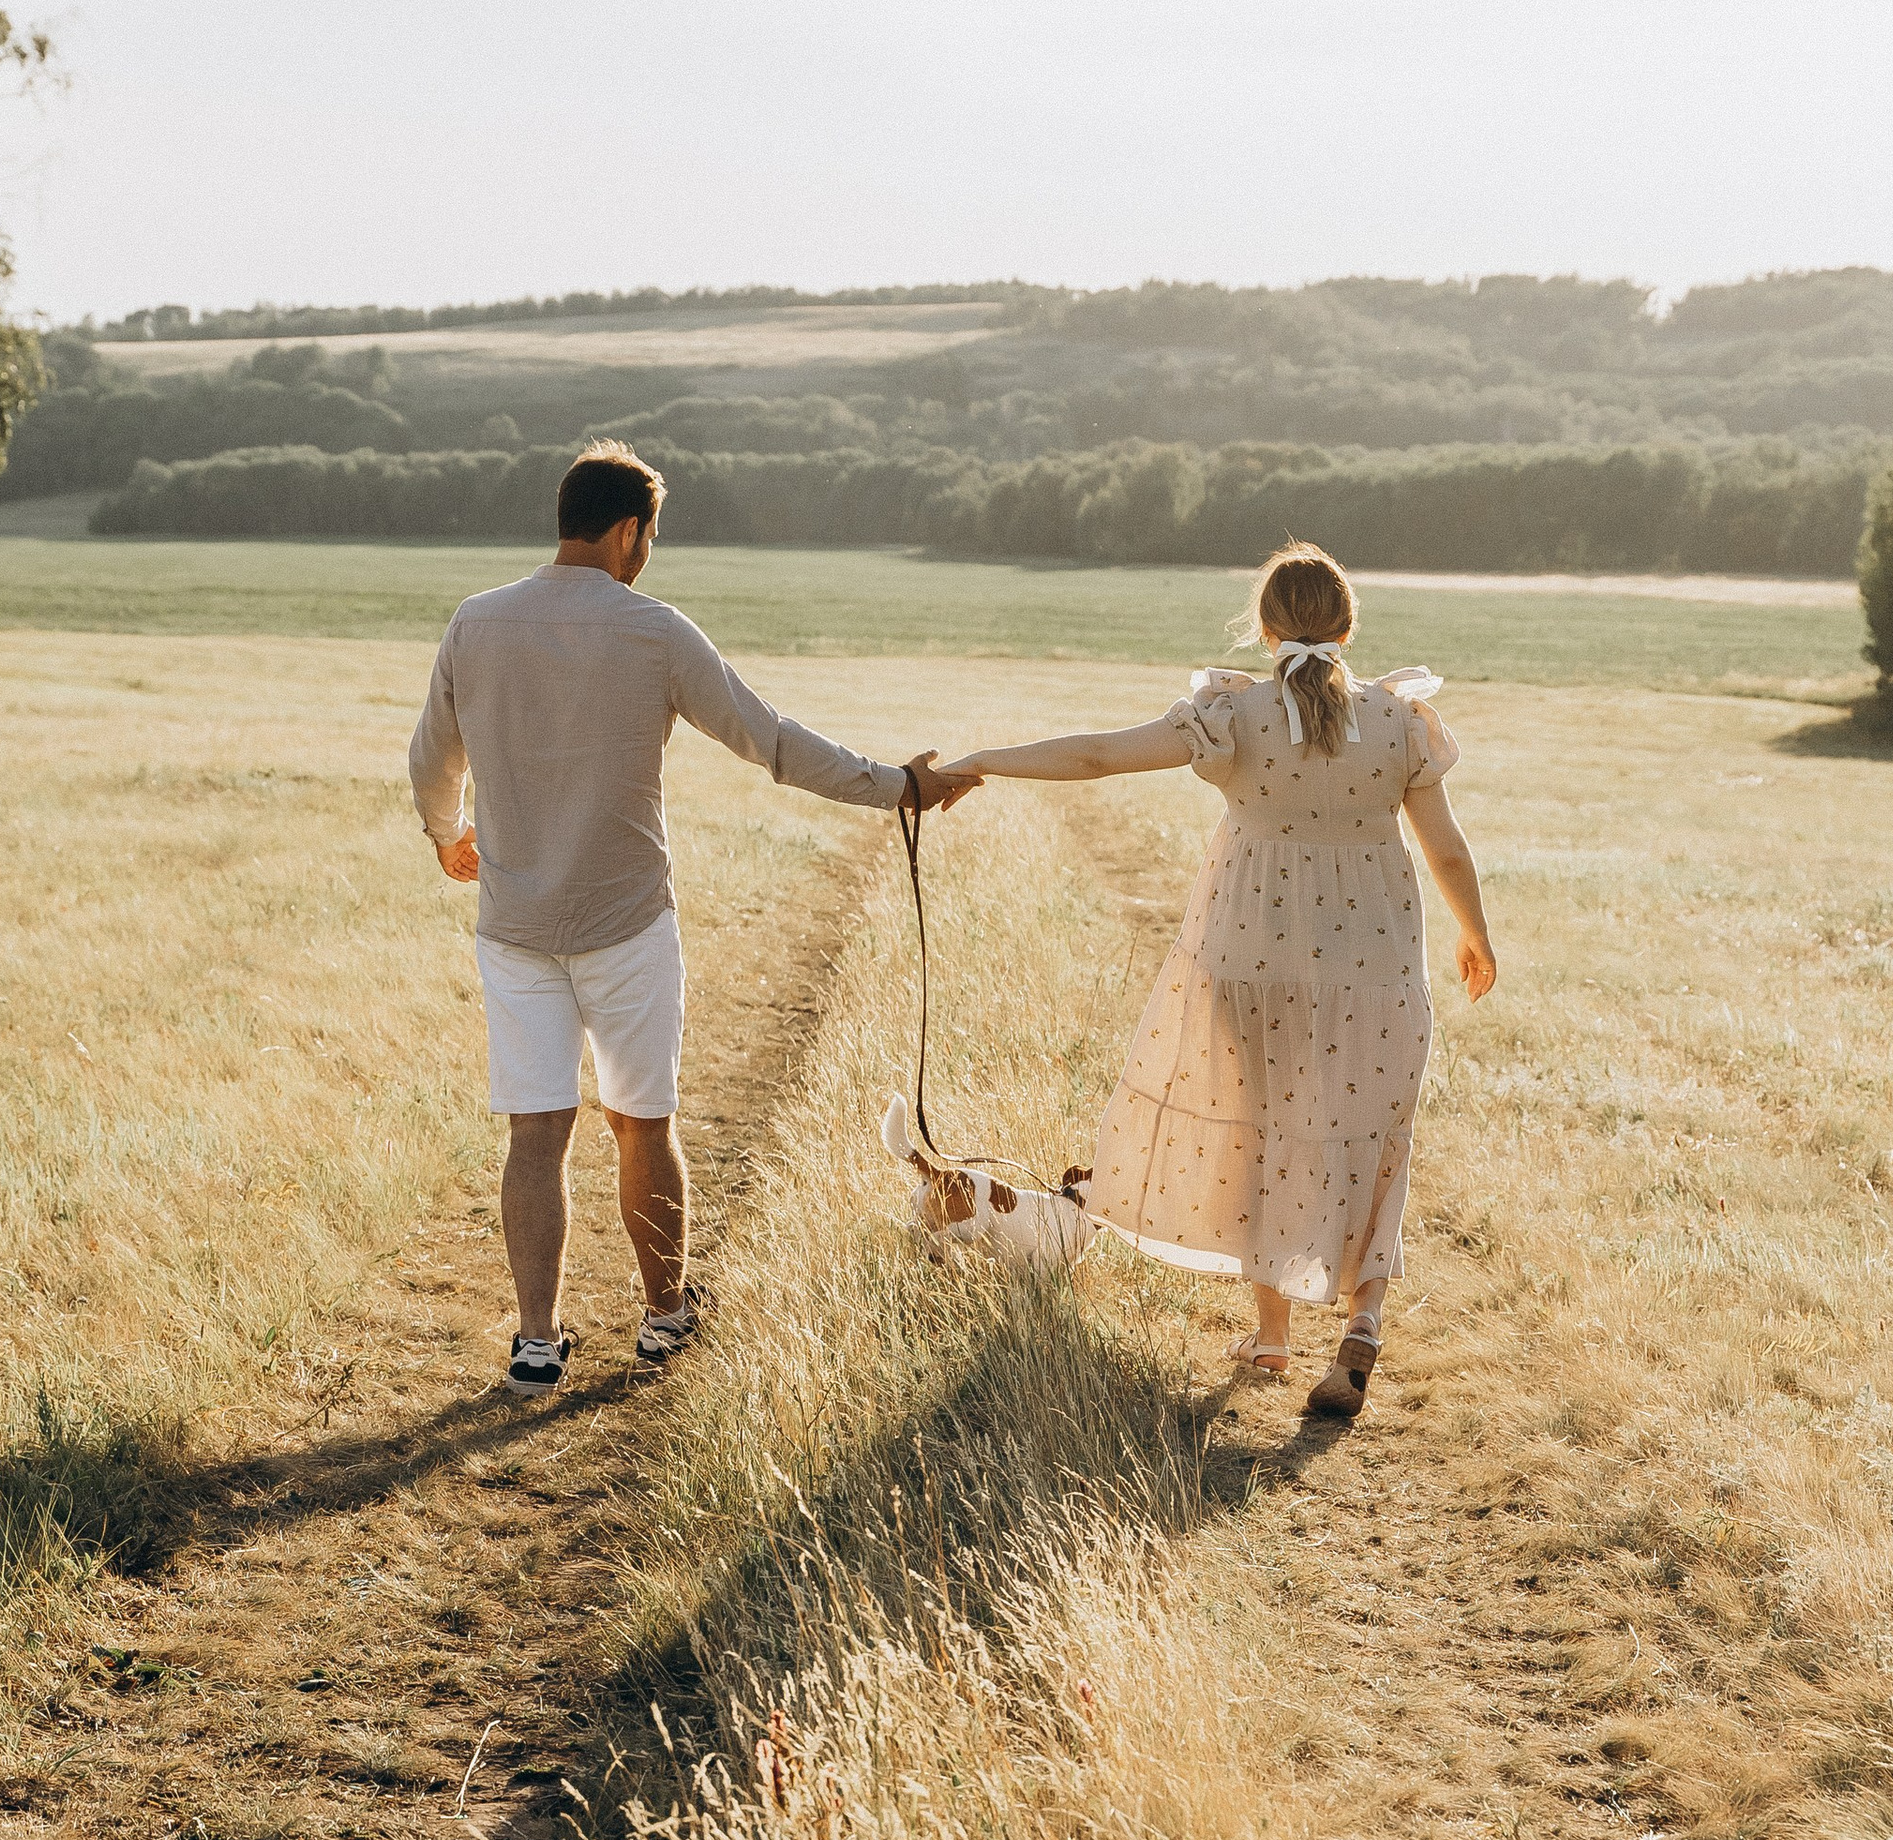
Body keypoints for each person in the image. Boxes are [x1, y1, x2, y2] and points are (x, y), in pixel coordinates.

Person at [411, 445, 977, 1391]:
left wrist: (447, 834)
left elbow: (432, 757)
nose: (648, 556)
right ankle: (666, 1316)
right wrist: (899, 788)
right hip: (628, 922)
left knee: (535, 1133)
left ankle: (537, 1341)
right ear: (629, 530)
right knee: (642, 1122)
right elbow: (776, 743)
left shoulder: (476, 624)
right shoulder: (656, 631)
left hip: (513, 924)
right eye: (651, 538)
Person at [941, 539, 1494, 1417]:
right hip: (1375, 964)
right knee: (1368, 1136)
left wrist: (980, 759)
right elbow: (1448, 848)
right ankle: (1361, 1331)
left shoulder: (1232, 716)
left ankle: (1272, 1336)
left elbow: (1095, 755)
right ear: (1348, 627)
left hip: (1252, 957)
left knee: (1262, 1124)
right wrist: (1477, 936)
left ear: (1266, 629)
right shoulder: (1398, 722)